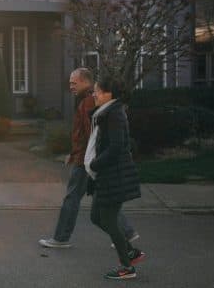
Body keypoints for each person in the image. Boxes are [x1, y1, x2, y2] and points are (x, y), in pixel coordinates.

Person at [39, 68, 138, 249]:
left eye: (74, 83)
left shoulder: (88, 102)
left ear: (86, 82)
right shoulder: (90, 100)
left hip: (87, 160)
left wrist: (87, 158)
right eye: (69, 83)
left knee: (73, 198)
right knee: (102, 198)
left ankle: (61, 238)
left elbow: (92, 134)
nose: (70, 87)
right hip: (88, 158)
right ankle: (127, 232)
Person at [86, 76, 145, 280]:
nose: (93, 94)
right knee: (96, 216)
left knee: (109, 220)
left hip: (114, 176)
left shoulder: (115, 114)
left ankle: (127, 267)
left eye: (97, 91)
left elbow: (117, 147)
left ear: (108, 94)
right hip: (106, 177)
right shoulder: (105, 113)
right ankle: (129, 251)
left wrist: (94, 164)